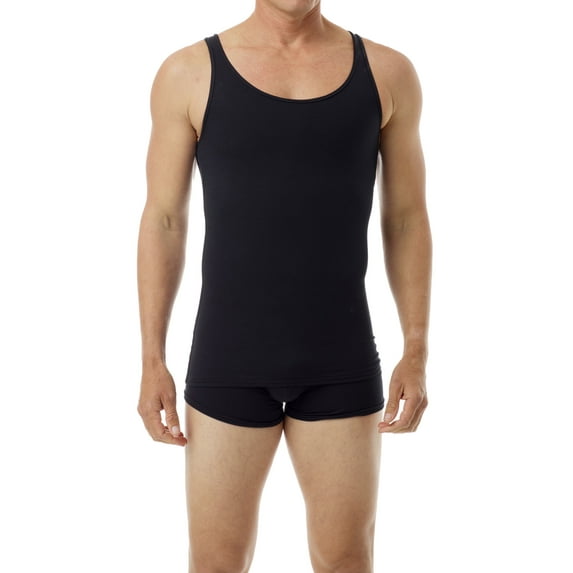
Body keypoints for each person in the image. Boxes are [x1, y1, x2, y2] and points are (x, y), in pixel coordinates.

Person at [137, 1, 431, 571]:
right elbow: (164, 220)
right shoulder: (188, 72)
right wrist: (152, 358)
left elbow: (406, 219)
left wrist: (415, 348)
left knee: (346, 560)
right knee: (216, 562)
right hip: (228, 358)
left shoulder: (388, 72)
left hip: (341, 358)